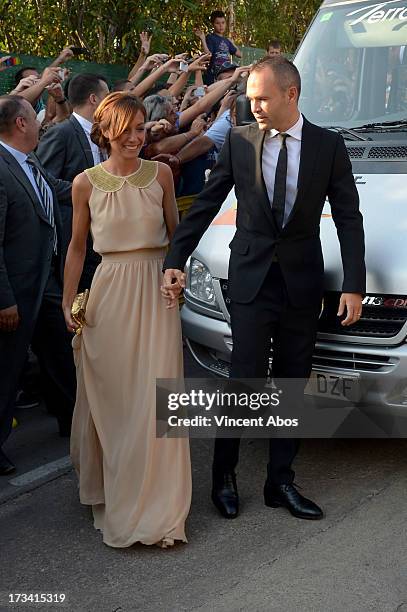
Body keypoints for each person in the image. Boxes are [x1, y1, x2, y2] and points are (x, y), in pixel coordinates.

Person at [162, 56, 365, 521]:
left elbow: (349, 217)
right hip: (252, 283)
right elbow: (206, 204)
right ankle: (224, 477)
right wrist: (176, 257)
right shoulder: (238, 140)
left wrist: (353, 284)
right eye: (249, 97)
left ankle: (280, 483)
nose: (252, 106)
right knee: (243, 383)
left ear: (291, 94)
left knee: (292, 384)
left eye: (261, 97)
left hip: (301, 284)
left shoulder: (328, 146)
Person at [62, 92, 191, 548]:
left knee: (158, 399)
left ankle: (160, 507)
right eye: (128, 130)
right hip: (109, 296)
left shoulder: (161, 174)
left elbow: (178, 238)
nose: (137, 138)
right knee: (117, 403)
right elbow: (78, 248)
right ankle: (119, 491)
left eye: (141, 129)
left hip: (157, 293)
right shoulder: (84, 183)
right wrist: (68, 302)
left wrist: (180, 275)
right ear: (106, 131)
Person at [0, 95, 76, 475]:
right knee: (8, 369)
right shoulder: (1, 167)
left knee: (60, 350)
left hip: (45, 279)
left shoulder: (29, 162)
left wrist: (105, 179)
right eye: (34, 117)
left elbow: (59, 189)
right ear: (20, 124)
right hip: (15, 291)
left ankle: (71, 421)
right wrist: (4, 300)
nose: (40, 124)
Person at [36, 73, 110, 290]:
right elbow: (44, 181)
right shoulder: (62, 133)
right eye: (107, 95)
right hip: (72, 232)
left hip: (99, 231)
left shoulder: (102, 133)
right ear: (94, 99)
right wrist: (89, 193)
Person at [195, 10, 242, 84]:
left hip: (225, 74)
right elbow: (208, 56)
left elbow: (239, 54)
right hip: (213, 76)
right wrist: (203, 39)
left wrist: (233, 43)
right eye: (217, 23)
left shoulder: (227, 40)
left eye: (223, 23)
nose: (221, 25)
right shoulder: (210, 38)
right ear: (213, 24)